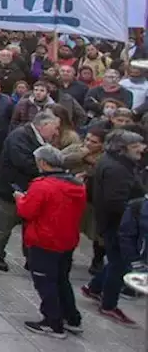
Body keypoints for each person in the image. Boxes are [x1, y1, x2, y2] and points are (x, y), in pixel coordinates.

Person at [16, 145, 88, 338]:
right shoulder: (76, 185)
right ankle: (71, 318)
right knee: (62, 280)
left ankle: (52, 322)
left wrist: (20, 199)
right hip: (67, 239)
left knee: (45, 282)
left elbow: (27, 211)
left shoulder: (42, 185)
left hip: (44, 240)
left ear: (42, 163)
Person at [80, 128, 145, 327]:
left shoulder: (116, 162)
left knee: (116, 260)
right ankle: (109, 304)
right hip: (118, 224)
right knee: (120, 264)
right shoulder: (117, 169)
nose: (141, 149)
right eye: (135, 146)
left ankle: (94, 287)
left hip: (114, 222)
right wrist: (138, 210)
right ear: (122, 148)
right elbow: (116, 202)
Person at [0, 110, 60, 272]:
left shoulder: (43, 140)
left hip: (32, 192)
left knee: (30, 228)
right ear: (44, 125)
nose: (56, 132)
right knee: (4, 226)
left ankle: (30, 257)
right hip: (11, 191)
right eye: (54, 128)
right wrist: (49, 169)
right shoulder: (19, 137)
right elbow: (25, 163)